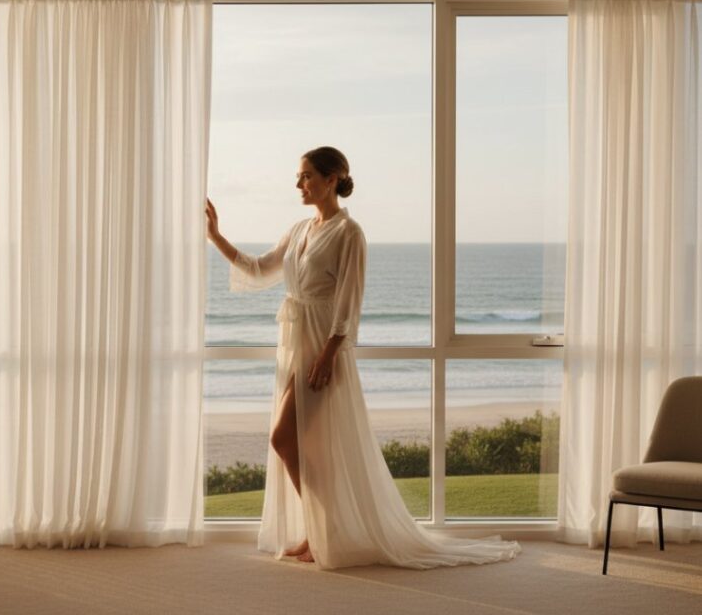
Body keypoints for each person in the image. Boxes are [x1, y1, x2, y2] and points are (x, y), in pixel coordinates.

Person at [205, 146, 520, 570]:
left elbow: (350, 301)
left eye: (307, 176)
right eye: (299, 177)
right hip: (295, 342)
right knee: (300, 444)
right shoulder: (300, 229)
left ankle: (326, 532)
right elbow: (260, 269)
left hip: (320, 346)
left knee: (284, 438)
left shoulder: (349, 234)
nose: (300, 184)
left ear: (332, 178)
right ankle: (322, 531)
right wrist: (216, 237)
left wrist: (329, 354)